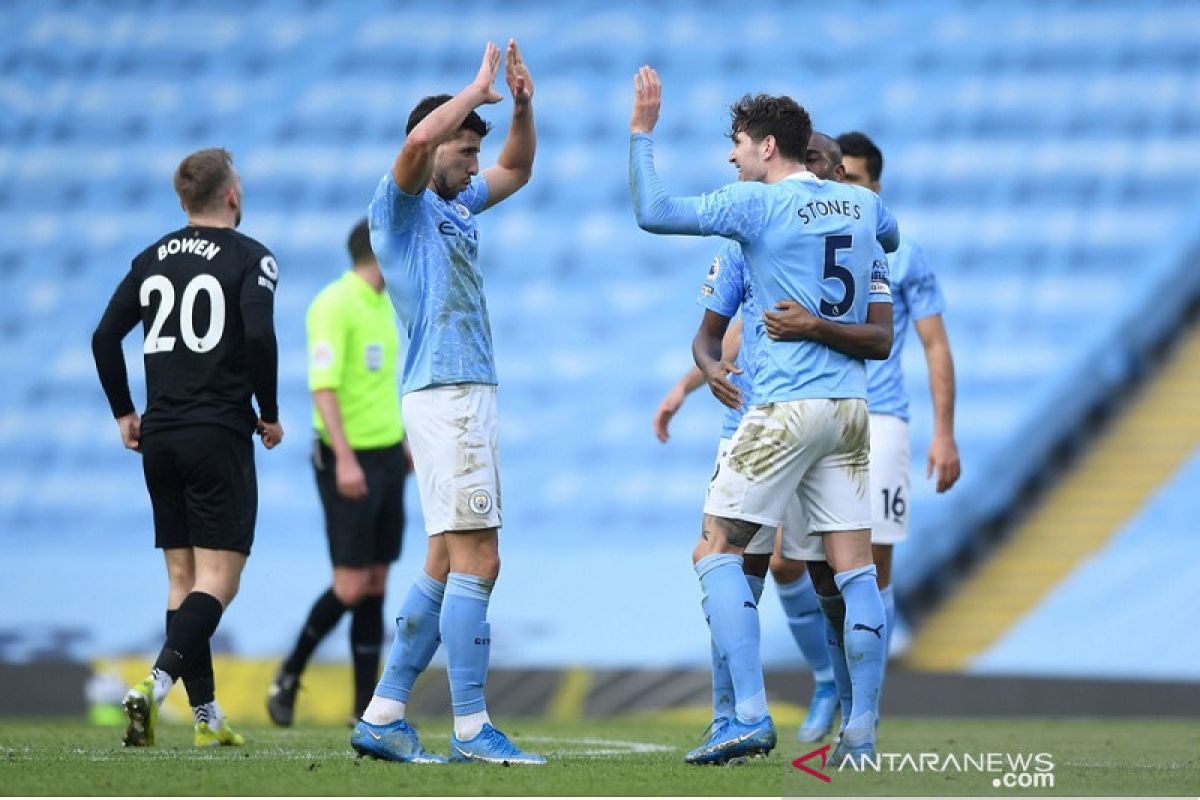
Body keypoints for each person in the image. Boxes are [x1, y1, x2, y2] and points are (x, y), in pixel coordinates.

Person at [629, 66, 898, 766]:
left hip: (782, 408)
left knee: (715, 548)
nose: (731, 158)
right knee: (855, 570)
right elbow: (889, 235)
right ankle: (861, 733)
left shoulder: (755, 208)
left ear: (768, 148)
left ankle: (747, 714)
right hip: (849, 410)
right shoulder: (859, 204)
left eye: (739, 145)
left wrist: (641, 134)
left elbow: (652, 211)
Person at [349, 40, 543, 766]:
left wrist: (521, 106)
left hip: (462, 393)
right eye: (463, 150)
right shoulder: (396, 209)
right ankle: (470, 727)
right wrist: (474, 88)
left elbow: (519, 167)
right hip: (447, 392)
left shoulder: (457, 204)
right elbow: (420, 138)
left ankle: (385, 713)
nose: (471, 163)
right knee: (481, 558)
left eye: (471, 152)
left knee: (442, 559)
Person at [764, 132, 961, 757]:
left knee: (869, 569)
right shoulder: (805, 240)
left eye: (854, 178)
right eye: (835, 173)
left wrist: (946, 431)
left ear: (875, 187)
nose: (842, 185)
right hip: (815, 410)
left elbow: (933, 344)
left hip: (881, 419)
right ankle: (830, 682)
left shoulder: (902, 255)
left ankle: (863, 713)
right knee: (788, 562)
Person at [652, 133, 850, 745]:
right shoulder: (751, 238)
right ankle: (732, 716)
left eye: (822, 167)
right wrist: (695, 380)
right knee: (746, 568)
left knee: (820, 573)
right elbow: (726, 331)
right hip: (754, 422)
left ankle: (835, 694)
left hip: (808, 418)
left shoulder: (838, 238)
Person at [90, 147, 283, 748]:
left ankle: (205, 718)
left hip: (160, 434)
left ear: (182, 202)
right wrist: (269, 413)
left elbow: (103, 337)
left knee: (182, 578)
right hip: (217, 431)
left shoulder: (150, 258)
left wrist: (125, 410)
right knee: (220, 581)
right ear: (231, 195)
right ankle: (153, 684)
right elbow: (258, 332)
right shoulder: (253, 258)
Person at [267, 219, 408, 727]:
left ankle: (363, 707)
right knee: (349, 586)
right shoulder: (334, 303)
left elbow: (375, 386)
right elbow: (323, 386)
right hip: (347, 457)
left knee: (375, 583)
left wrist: (402, 443)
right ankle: (288, 674)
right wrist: (346, 457)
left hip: (389, 453)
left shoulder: (385, 305)